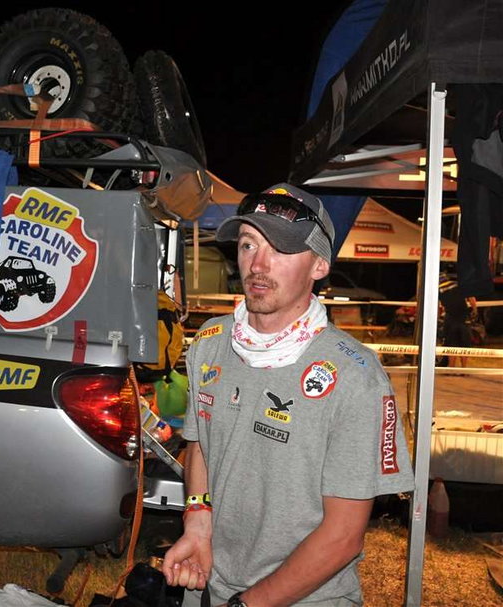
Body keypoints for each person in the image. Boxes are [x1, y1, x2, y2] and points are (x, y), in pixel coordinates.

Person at [163, 183, 415, 607]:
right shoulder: (209, 342)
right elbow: (201, 445)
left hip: (308, 598)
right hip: (209, 583)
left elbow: (343, 538)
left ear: (319, 265)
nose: (257, 264)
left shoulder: (356, 376)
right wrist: (197, 519)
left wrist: (248, 604)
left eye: (279, 248)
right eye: (247, 245)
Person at [438, 274, 478, 367]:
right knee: (465, 344)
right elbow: (471, 298)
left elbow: (437, 306)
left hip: (450, 319)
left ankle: (451, 368)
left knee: (451, 344)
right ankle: (464, 368)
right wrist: (475, 310)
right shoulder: (458, 285)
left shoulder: (438, 290)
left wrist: (438, 317)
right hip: (463, 318)